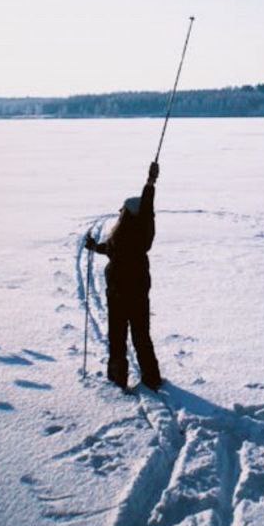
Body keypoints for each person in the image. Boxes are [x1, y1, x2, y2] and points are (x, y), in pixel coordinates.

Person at [85, 160, 162, 391]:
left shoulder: (121, 238)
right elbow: (147, 210)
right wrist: (150, 182)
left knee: (117, 339)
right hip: (138, 294)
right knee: (141, 337)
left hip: (118, 295)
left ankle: (118, 378)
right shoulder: (142, 238)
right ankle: (152, 378)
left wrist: (150, 182)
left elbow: (108, 248)